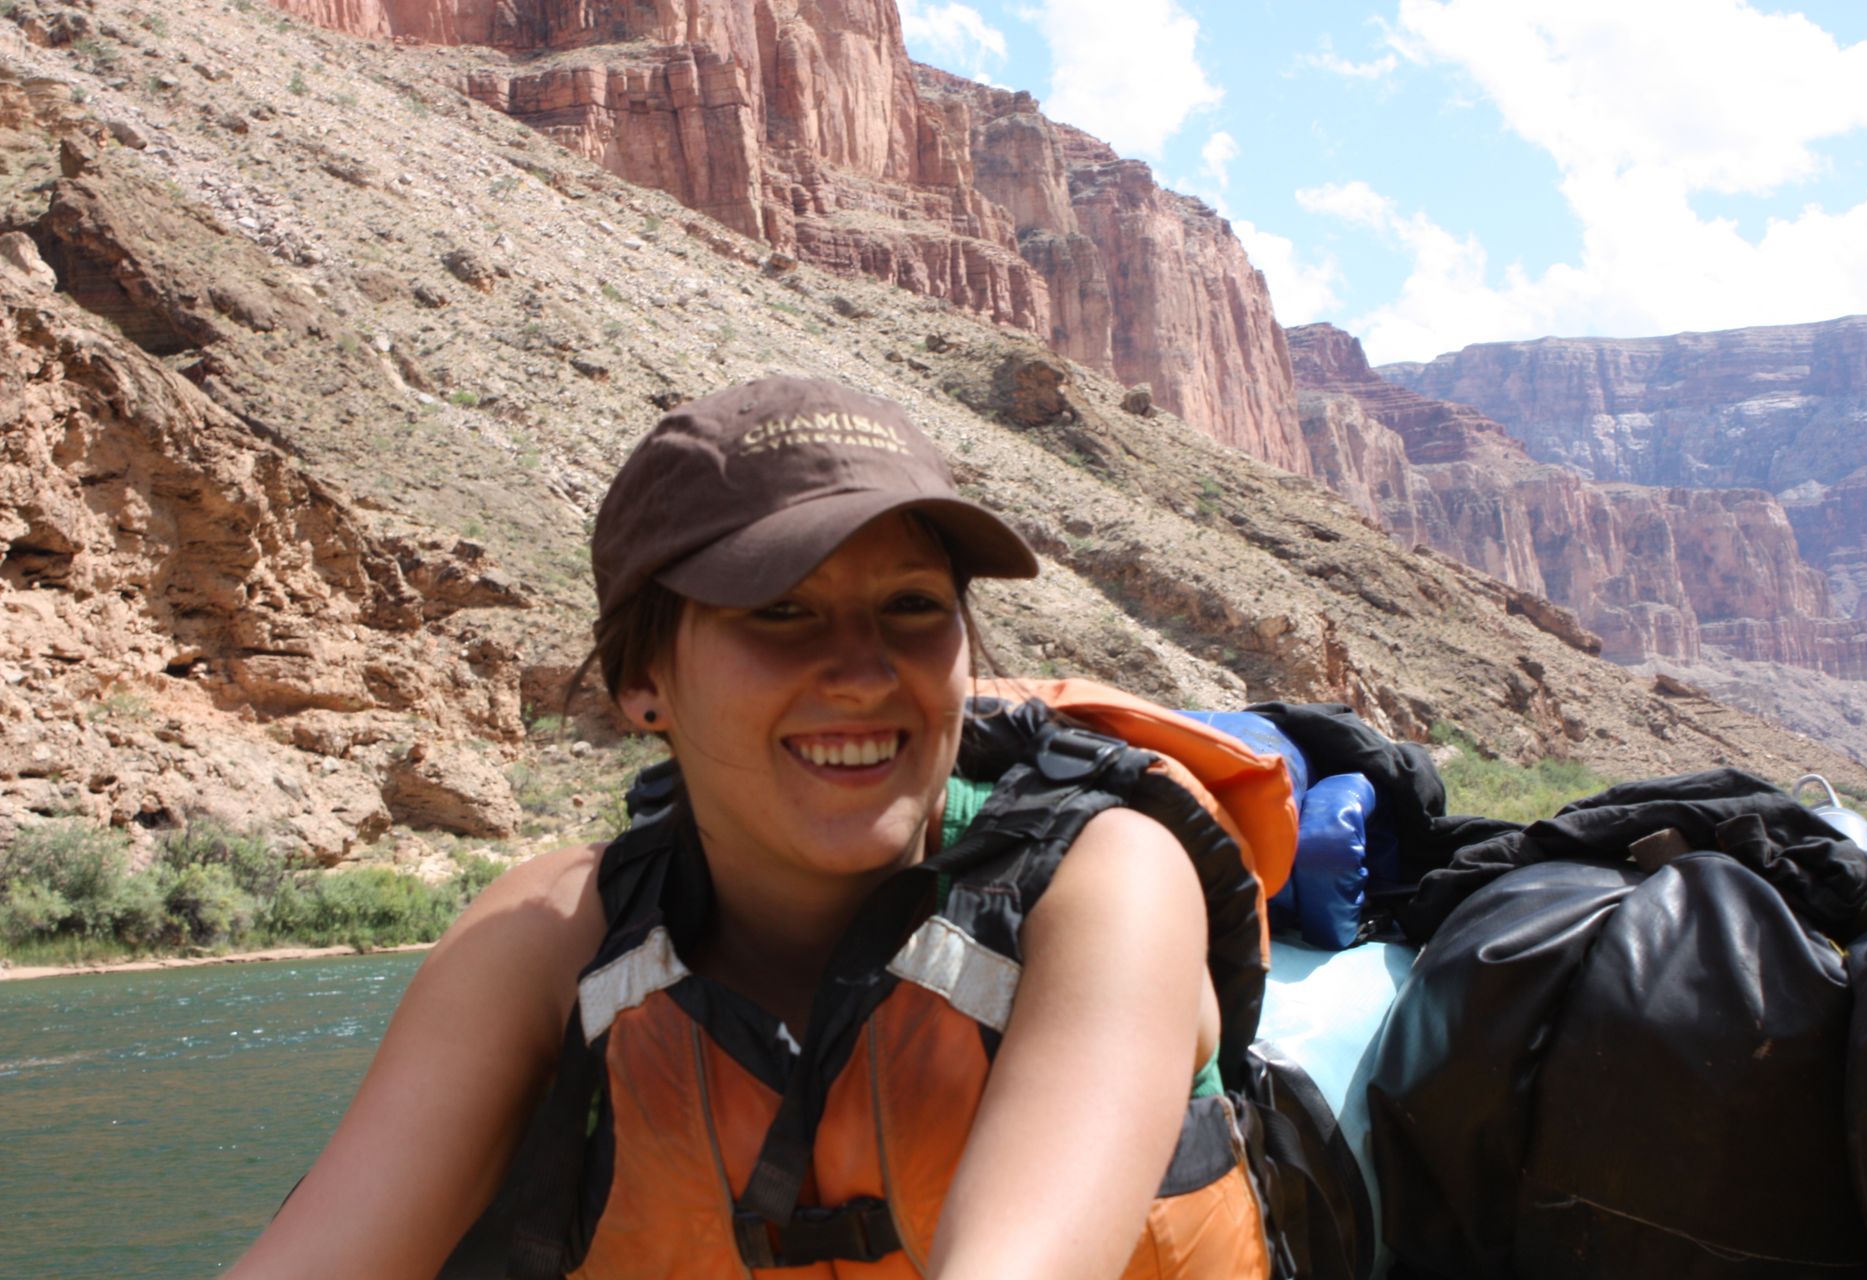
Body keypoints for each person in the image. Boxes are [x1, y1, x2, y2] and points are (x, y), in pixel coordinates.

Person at [227, 376, 1270, 1279]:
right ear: (645, 679)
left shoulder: (1107, 882)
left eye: (913, 604)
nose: (865, 670)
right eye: (779, 609)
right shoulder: (550, 935)